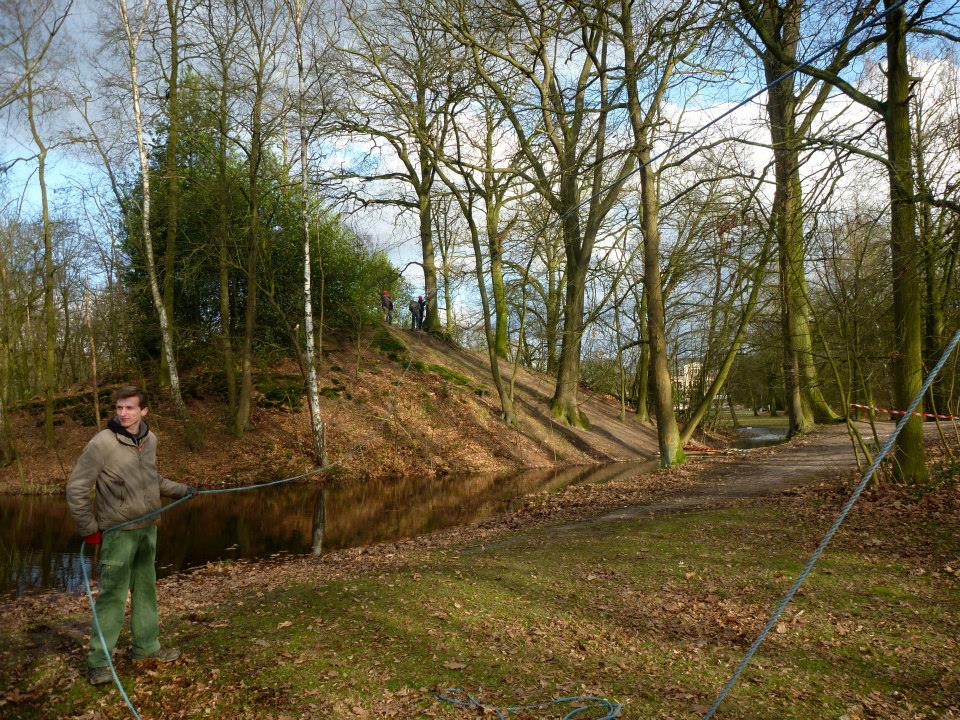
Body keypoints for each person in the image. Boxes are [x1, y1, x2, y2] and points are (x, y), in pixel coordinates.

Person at [66, 386, 194, 686]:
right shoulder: (102, 443)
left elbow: (153, 479)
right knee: (112, 597)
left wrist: (183, 489)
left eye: (130, 408)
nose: (123, 413)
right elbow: (77, 487)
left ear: (144, 411)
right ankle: (98, 662)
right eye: (119, 408)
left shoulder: (150, 440)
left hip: (147, 530)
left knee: (147, 592)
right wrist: (89, 529)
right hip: (118, 533)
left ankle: (147, 649)